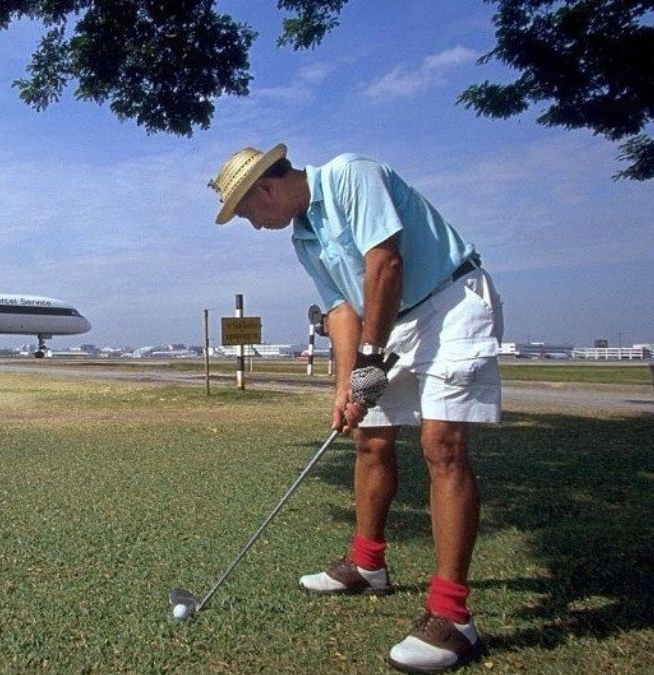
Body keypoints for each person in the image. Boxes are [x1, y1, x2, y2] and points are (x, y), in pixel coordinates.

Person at [209, 144, 503, 673]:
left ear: (267, 188)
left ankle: (452, 617)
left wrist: (369, 360)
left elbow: (385, 262)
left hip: (451, 302)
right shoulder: (304, 237)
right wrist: (345, 387)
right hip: (390, 324)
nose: (255, 226)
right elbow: (342, 311)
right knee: (369, 440)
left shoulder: (351, 175)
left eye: (249, 214)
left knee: (441, 446)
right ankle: (368, 566)